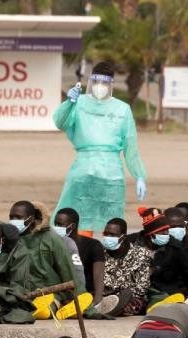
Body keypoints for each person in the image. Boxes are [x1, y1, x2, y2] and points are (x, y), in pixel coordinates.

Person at [52, 61, 148, 235]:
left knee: (111, 224)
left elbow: (130, 146)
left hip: (111, 174)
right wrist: (69, 103)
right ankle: (81, 255)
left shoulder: (122, 109)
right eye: (96, 82)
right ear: (91, 81)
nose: (99, 86)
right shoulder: (79, 102)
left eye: (104, 83)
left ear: (111, 84)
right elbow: (60, 122)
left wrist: (139, 175)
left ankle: (107, 258)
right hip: (83, 169)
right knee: (77, 220)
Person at [8, 201, 88, 318]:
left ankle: (67, 307)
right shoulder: (9, 239)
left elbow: (67, 270)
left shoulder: (51, 238)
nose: (14, 221)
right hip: (19, 292)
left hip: (50, 292)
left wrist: (81, 300)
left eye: (18, 217)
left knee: (43, 310)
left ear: (31, 219)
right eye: (11, 217)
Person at [141, 207, 188, 308]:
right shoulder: (135, 243)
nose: (166, 234)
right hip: (142, 291)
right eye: (162, 232)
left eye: (167, 230)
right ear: (151, 235)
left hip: (168, 291)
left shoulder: (175, 247)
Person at [53, 208, 111, 310]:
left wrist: (96, 302)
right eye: (55, 224)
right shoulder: (53, 245)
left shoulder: (93, 245)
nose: (57, 228)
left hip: (86, 294)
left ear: (73, 226)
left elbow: (99, 275)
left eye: (61, 225)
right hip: (62, 293)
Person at [100, 218, 152, 316]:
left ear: (123, 237)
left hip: (131, 298)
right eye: (106, 234)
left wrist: (122, 296)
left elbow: (142, 287)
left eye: (112, 235)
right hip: (105, 296)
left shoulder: (141, 254)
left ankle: (114, 309)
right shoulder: (99, 253)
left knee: (134, 304)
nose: (107, 237)